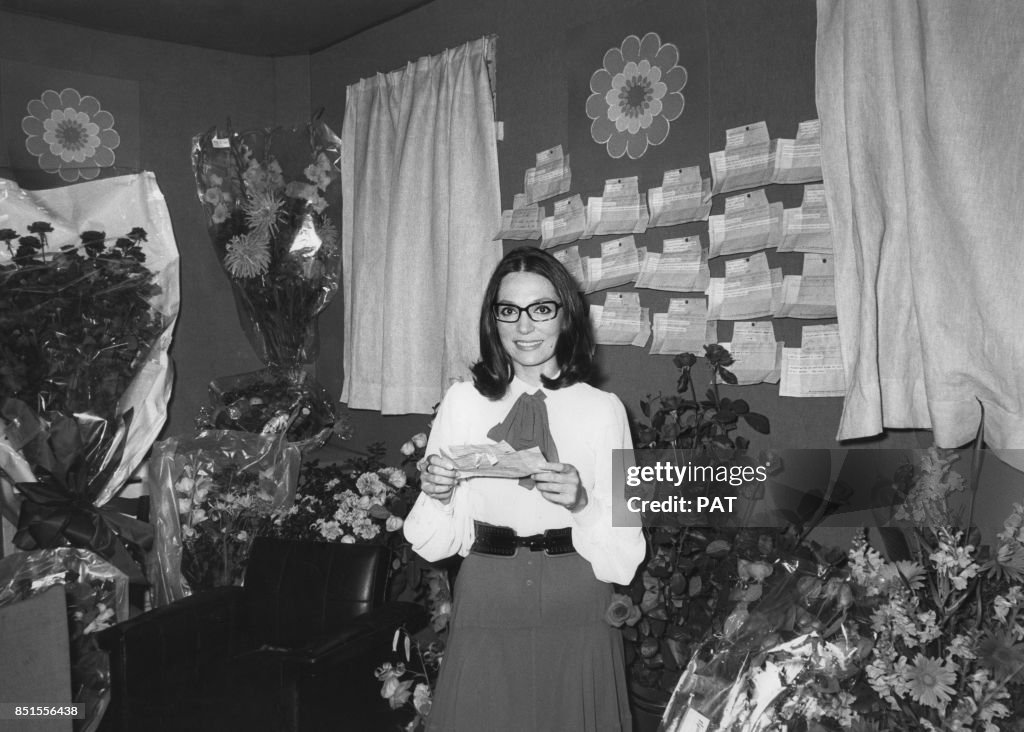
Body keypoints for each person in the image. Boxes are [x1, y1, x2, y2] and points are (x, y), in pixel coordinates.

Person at [404, 246, 645, 731]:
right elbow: (434, 542)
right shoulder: (463, 402)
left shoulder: (605, 410)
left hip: (576, 597)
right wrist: (438, 490)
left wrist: (581, 503)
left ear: (565, 315)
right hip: (488, 594)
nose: (524, 327)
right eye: (509, 311)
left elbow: (625, 554)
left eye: (541, 309)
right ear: (494, 320)